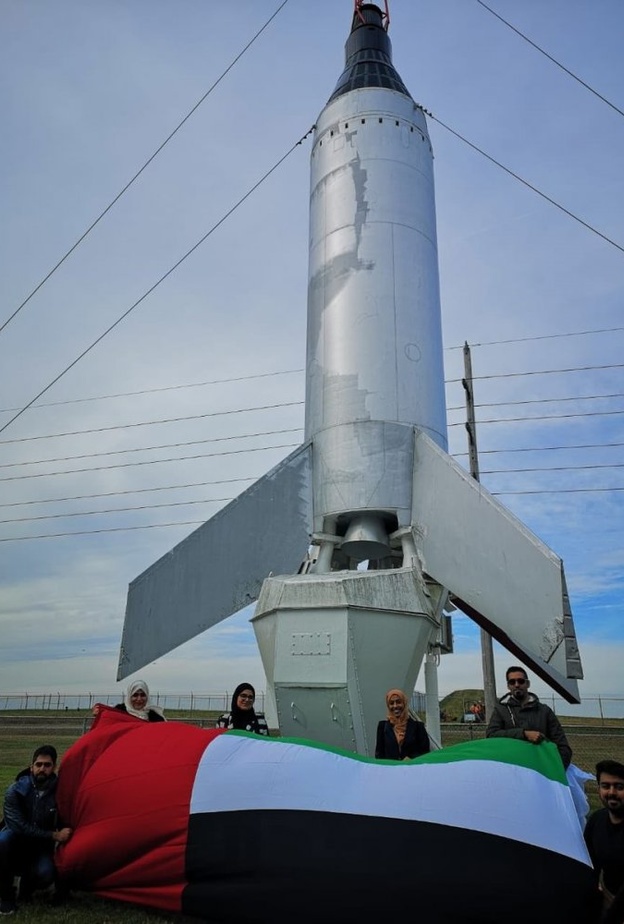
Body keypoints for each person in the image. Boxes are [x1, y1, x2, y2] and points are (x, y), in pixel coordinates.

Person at [0, 745, 72, 915]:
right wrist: (54, 835)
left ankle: (27, 887)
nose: (42, 769)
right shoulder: (15, 791)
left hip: (40, 847)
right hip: (15, 841)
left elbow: (66, 825)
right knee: (1, 841)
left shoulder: (61, 793)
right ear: (31, 766)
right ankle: (5, 895)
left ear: (54, 767)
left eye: (47, 765)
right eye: (38, 764)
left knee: (45, 874)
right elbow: (19, 827)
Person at [486, 665, 572, 768]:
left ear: (527, 684)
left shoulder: (544, 711)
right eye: (512, 682)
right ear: (508, 686)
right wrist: (524, 734)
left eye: (521, 681)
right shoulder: (501, 710)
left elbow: (563, 746)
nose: (517, 685)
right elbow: (491, 734)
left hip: (540, 769)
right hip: (512, 768)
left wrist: (557, 770)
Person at [584, 759, 624, 923]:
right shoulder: (597, 821)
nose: (611, 792)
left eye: (619, 787)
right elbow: (588, 866)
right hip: (608, 897)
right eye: (605, 786)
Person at [375, 689, 430, 761]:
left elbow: (426, 754)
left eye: (398, 702)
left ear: (404, 703)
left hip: (412, 770)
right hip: (391, 771)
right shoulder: (382, 727)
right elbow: (379, 756)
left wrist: (412, 759)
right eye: (391, 703)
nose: (395, 706)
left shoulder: (418, 727)